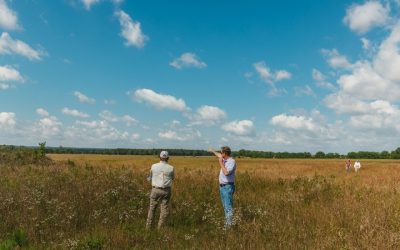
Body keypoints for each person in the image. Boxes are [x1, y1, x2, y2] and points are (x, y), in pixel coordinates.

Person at [146, 151, 175, 229]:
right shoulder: (171, 168)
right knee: (164, 209)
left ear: (159, 157)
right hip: (166, 191)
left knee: (152, 208)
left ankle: (148, 227)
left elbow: (150, 177)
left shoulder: (154, 166)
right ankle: (160, 228)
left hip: (155, 189)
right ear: (168, 158)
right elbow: (172, 178)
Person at [210, 146, 237, 228]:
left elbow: (226, 173)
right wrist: (212, 150)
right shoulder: (224, 159)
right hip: (222, 187)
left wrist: (220, 163)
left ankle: (228, 227)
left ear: (225, 153)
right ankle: (228, 224)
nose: (220, 154)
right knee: (225, 206)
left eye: (221, 153)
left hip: (227, 187)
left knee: (228, 207)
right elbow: (218, 155)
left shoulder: (231, 161)